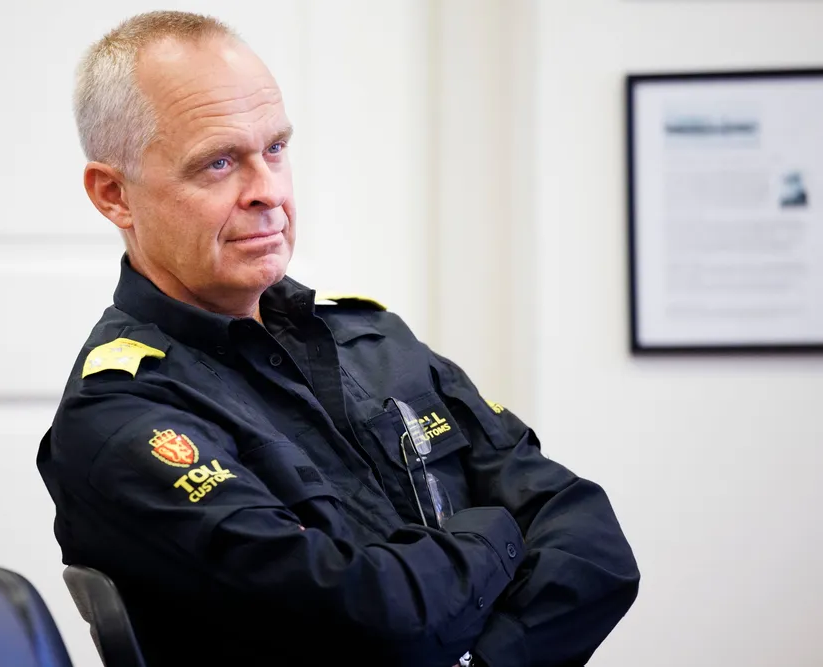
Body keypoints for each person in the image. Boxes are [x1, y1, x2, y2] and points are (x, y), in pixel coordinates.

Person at [37, 10, 639, 667]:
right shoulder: (122, 416)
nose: (268, 191)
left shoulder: (373, 342)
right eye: (218, 163)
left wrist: (484, 655)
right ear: (114, 194)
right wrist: (497, 531)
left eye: (275, 149)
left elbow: (592, 542)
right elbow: (371, 620)